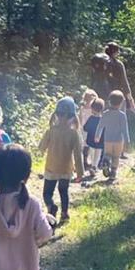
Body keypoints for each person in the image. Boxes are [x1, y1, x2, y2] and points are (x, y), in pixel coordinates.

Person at [39, 96, 84, 225]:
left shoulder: (51, 131)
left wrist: (42, 151)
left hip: (51, 168)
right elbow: (77, 155)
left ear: (56, 115)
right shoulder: (74, 134)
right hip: (66, 169)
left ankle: (51, 207)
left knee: (47, 193)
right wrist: (80, 173)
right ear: (73, 117)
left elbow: (41, 147)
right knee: (63, 192)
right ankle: (64, 214)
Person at [96, 90, 130, 180]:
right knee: (116, 157)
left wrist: (97, 135)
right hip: (119, 140)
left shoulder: (105, 114)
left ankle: (106, 162)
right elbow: (124, 129)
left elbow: (100, 126)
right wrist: (127, 141)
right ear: (121, 103)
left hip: (107, 140)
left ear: (109, 101)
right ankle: (113, 173)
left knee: (107, 154)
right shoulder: (122, 115)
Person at [83, 97, 105, 174]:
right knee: (98, 154)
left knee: (92, 152)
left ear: (92, 109)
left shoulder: (91, 118)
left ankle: (92, 165)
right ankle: (94, 166)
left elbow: (85, 128)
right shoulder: (103, 119)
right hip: (100, 140)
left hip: (91, 139)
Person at [78, 88, 97, 166]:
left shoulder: (82, 109)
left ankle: (85, 161)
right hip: (90, 129)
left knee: (85, 145)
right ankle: (88, 161)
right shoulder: (93, 109)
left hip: (84, 128)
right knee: (89, 145)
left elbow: (79, 118)